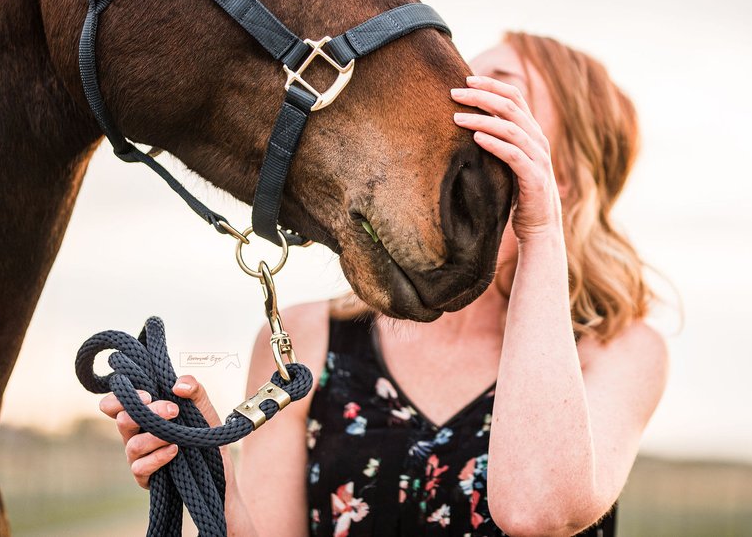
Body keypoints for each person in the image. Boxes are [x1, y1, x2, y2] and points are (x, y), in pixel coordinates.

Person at [99, 32, 670, 537]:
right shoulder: (310, 337)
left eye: (499, 89)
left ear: (563, 169)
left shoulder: (620, 351)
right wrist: (208, 473)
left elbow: (537, 512)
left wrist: (540, 227)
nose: (458, 94)